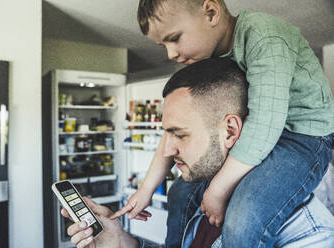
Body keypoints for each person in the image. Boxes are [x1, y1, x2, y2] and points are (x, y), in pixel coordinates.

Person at [111, 1, 334, 247]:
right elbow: (175, 128)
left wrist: (217, 190)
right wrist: (145, 190)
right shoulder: (209, 58)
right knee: (180, 193)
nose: (170, 54)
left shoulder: (265, 36)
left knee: (244, 213)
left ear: (211, 12)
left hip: (302, 137)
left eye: (174, 38)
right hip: (255, 130)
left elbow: (263, 125)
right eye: (163, 44)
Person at [62, 58, 334, 248]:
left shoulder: (307, 235)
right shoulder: (197, 196)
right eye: (165, 134)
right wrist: (122, 243)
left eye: (180, 134)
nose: (168, 150)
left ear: (229, 131)